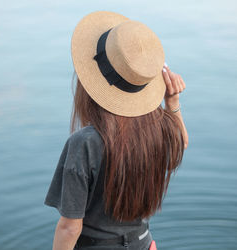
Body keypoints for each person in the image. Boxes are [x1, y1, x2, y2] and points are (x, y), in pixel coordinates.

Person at [44, 11, 188, 250]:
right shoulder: (157, 130)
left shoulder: (85, 143)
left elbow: (70, 227)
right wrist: (172, 103)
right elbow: (179, 144)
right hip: (143, 244)